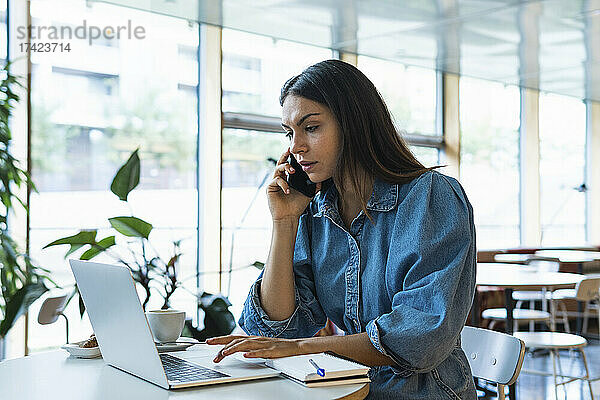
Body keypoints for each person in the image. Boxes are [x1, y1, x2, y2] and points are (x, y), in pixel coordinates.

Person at [207, 59, 477, 399]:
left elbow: (419, 338)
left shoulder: (431, 197)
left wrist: (304, 348)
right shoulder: (315, 211)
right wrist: (285, 221)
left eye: (312, 128)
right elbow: (278, 326)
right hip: (342, 387)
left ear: (354, 124)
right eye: (290, 133)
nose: (295, 147)